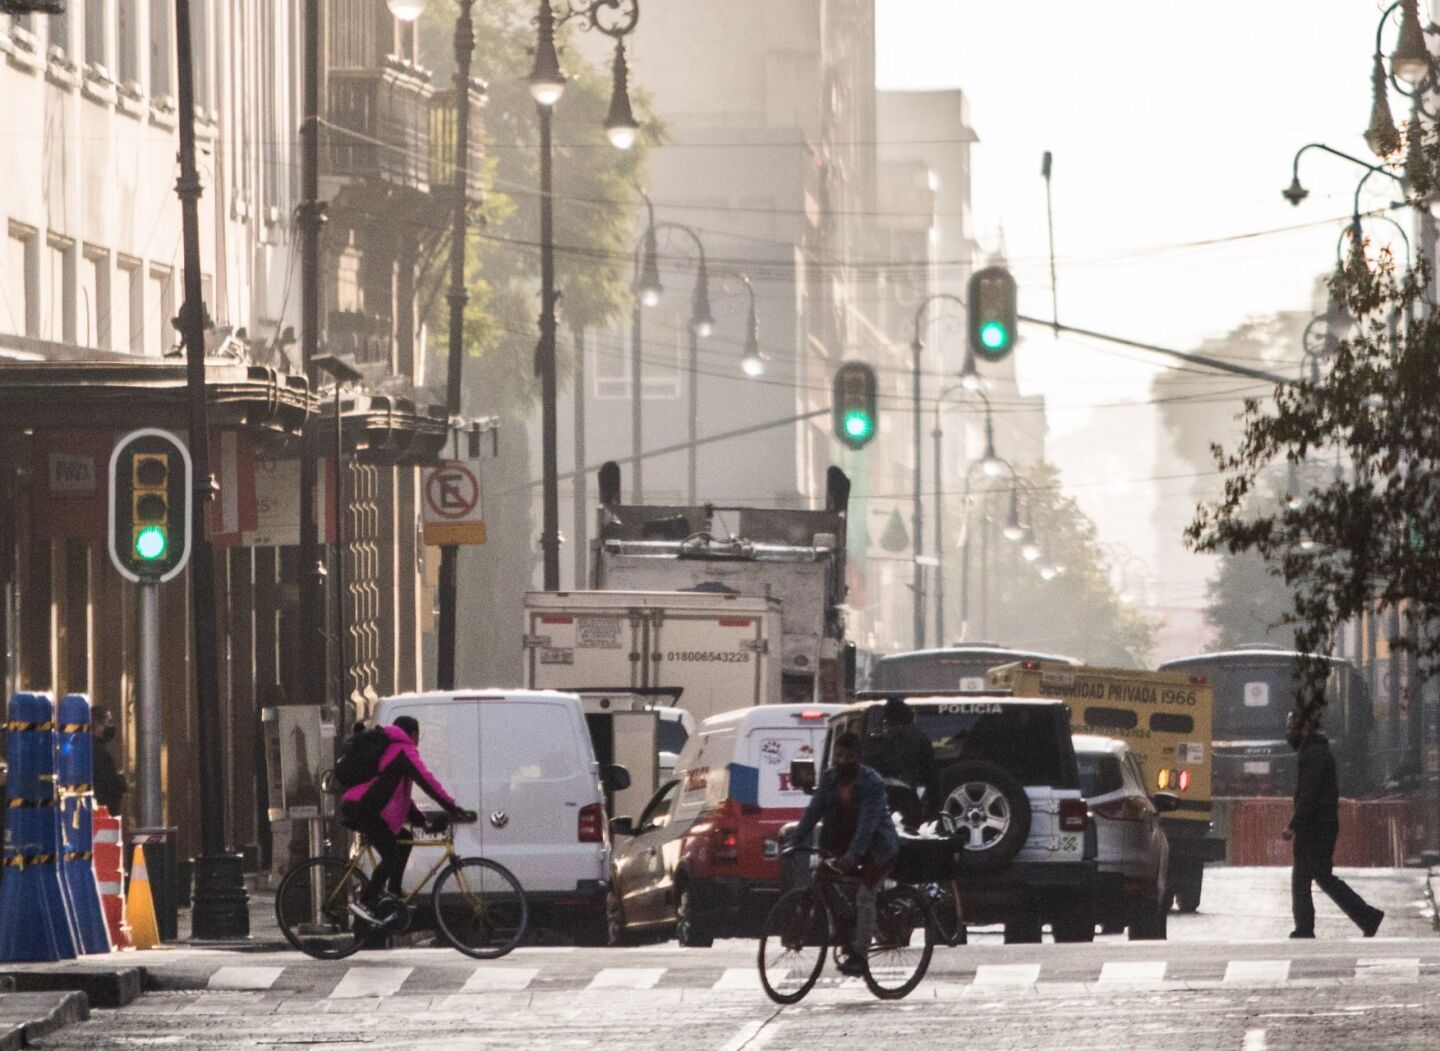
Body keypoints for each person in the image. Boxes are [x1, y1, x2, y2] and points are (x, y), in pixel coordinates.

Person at [340, 716, 474, 927]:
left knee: (405, 836)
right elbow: (427, 781)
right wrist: (452, 807)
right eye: (419, 735)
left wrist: (424, 824)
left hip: (361, 806)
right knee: (391, 854)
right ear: (413, 734)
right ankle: (365, 901)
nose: (419, 740)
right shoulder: (402, 750)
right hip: (363, 808)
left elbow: (404, 800)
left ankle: (393, 892)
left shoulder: (392, 751)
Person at [784, 733, 900, 976]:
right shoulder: (830, 778)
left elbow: (868, 825)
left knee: (865, 896)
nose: (841, 761)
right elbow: (814, 810)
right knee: (826, 882)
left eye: (848, 757)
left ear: (858, 758)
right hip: (843, 843)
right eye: (838, 756)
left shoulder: (872, 783)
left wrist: (853, 855)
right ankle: (847, 935)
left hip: (876, 847)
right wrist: (794, 841)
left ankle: (860, 954)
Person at [1283, 709, 1383, 939]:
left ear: (1305, 727)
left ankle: (1367, 916)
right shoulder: (1313, 751)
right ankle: (1305, 927)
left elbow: (1309, 794)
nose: (1289, 732)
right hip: (1316, 825)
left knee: (1321, 877)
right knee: (1303, 878)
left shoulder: (1315, 753)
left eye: (1291, 727)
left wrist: (1293, 825)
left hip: (1316, 827)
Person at [866, 698, 936, 831]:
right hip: (908, 796)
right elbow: (931, 775)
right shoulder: (920, 738)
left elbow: (867, 765)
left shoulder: (877, 737)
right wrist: (932, 810)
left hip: (879, 796)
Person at [90, 706, 127, 814]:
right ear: (97, 725)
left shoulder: (90, 747)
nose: (111, 726)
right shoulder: (99, 752)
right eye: (108, 722)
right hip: (103, 811)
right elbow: (109, 784)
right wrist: (121, 781)